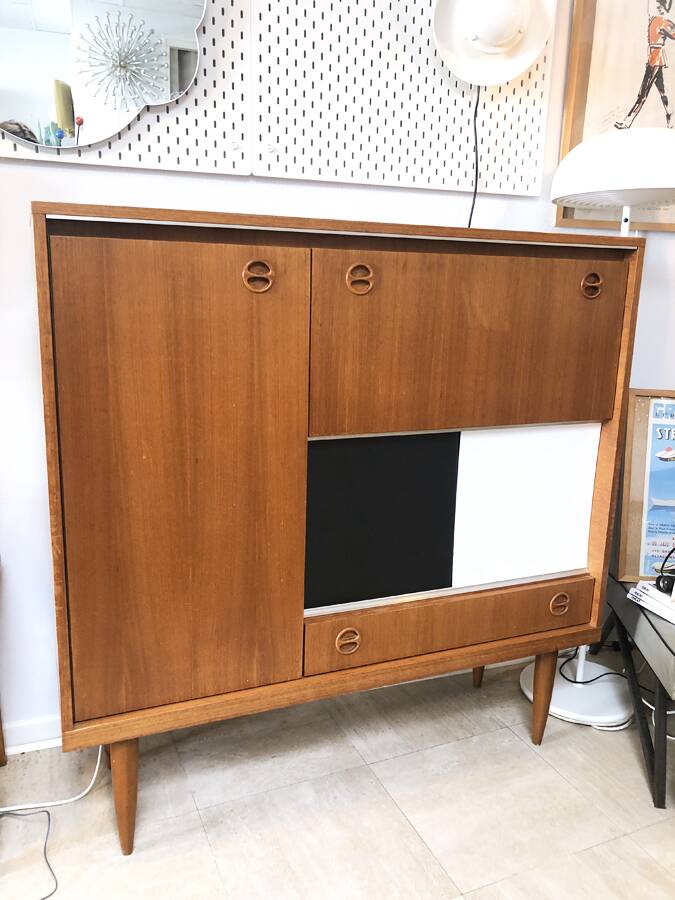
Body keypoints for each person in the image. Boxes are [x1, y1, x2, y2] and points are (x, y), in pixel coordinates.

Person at [616, 0, 675, 129]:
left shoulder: (663, 22)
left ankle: (627, 121)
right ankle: (670, 115)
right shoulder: (654, 19)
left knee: (643, 92)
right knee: (662, 91)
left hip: (656, 59)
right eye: (658, 6)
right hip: (653, 58)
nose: (659, 8)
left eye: (661, 7)